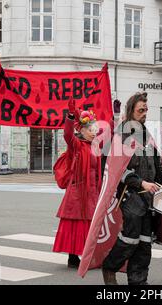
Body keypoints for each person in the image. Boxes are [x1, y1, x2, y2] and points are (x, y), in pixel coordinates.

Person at [102, 92, 162, 285]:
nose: (145, 113)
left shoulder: (147, 135)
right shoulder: (120, 135)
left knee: (145, 242)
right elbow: (114, 168)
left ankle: (138, 281)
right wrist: (140, 182)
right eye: (140, 110)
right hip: (130, 195)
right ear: (131, 111)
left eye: (146, 110)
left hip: (148, 197)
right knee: (130, 239)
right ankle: (109, 267)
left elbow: (157, 165)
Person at [53, 99, 102, 269]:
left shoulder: (96, 146)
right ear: (81, 130)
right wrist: (71, 117)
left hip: (93, 190)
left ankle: (91, 255)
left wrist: (117, 118)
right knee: (76, 224)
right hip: (78, 189)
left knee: (92, 224)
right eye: (90, 129)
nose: (94, 132)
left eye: (95, 129)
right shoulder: (77, 145)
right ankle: (73, 257)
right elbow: (67, 135)